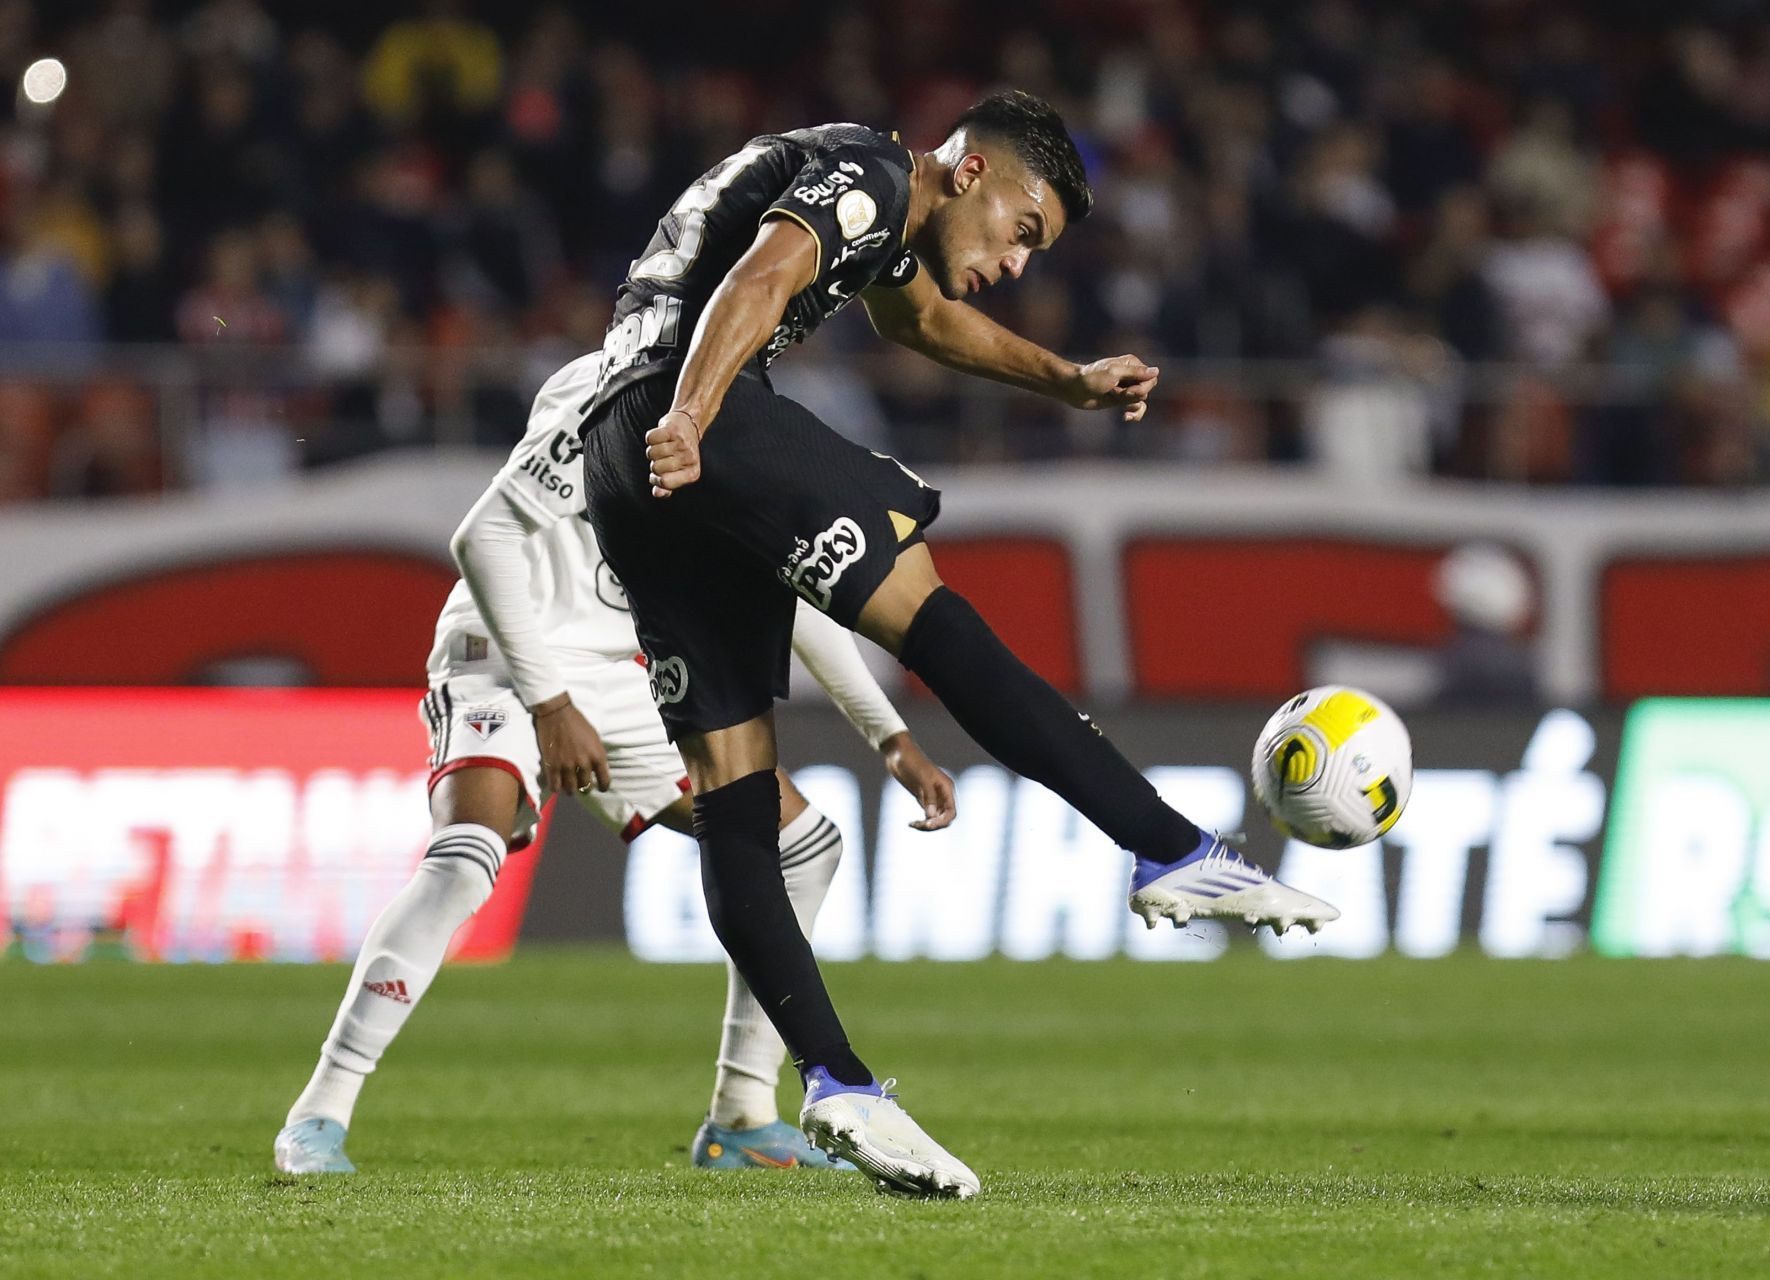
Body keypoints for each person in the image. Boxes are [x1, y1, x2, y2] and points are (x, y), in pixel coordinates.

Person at [579, 91, 1339, 1200]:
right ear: (972, 173)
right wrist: (695, 417)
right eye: (1025, 230)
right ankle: (1170, 845)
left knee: (733, 788)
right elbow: (761, 279)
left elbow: (922, 322)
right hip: (693, 411)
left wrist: (1067, 379)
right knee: (929, 611)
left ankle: (837, 1081)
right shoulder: (874, 177)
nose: (1019, 262)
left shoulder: (881, 212)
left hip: (617, 455)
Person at [273, 352, 956, 1176]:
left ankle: (741, 1115)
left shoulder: (742, 414)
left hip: (614, 675)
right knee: (464, 860)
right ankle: (317, 1116)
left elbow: (792, 594)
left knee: (803, 844)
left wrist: (890, 737)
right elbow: (481, 538)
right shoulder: (606, 388)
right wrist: (551, 706)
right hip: (502, 645)